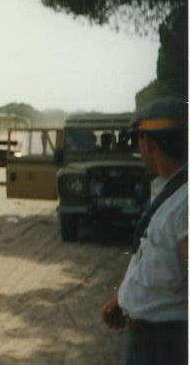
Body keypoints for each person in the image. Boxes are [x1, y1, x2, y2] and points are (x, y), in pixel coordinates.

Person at [100, 97, 187, 365]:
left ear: (148, 143)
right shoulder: (171, 190)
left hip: (165, 344)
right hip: (152, 338)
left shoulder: (185, 202)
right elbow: (155, 255)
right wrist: (124, 299)